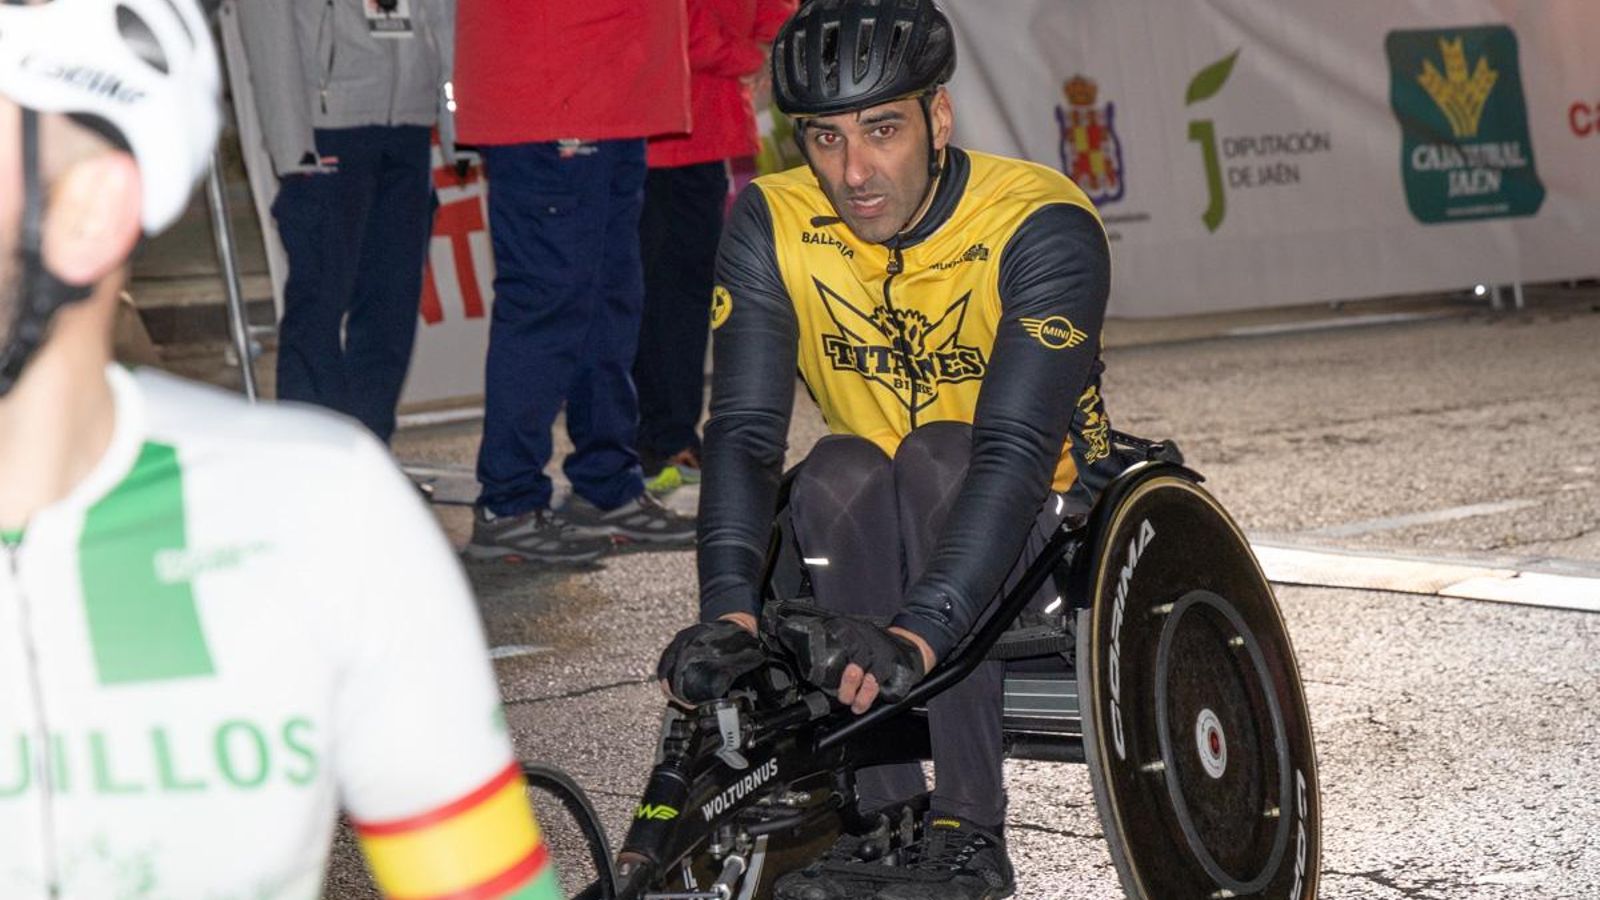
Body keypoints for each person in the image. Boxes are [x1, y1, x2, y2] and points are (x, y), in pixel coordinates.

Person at [0, 1, 558, 896]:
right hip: (328, 134)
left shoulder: (322, 519)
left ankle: (364, 422)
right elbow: (271, 45)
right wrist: (299, 144)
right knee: (321, 309)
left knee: (382, 307)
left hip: (400, 121)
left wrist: (449, 119)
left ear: (89, 210)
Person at [656, 1, 1121, 897]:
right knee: (836, 468)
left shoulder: (1040, 219)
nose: (853, 171)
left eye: (881, 131)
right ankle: (886, 815)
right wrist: (730, 613)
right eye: (823, 139)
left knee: (941, 455)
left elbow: (1016, 451)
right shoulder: (773, 217)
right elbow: (747, 434)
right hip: (871, 524)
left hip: (1038, 531)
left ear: (937, 119)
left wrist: (919, 634)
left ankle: (969, 830)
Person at [454, 0, 699, 564]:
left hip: (610, 89)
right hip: (555, 83)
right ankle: (509, 500)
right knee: (548, 303)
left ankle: (606, 481)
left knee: (610, 303)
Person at [236, 0, 455, 443]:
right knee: (318, 303)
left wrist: (457, 126)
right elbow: (267, 28)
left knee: (391, 304)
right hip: (328, 127)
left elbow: (445, 17)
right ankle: (311, 462)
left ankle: (369, 452)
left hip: (410, 123)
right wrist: (290, 144)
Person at [634, 0, 798, 495]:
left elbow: (771, 12)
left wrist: (800, 30)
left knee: (683, 299)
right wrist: (752, 58)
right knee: (655, 300)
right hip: (653, 134)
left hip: (701, 134)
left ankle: (671, 435)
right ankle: (655, 439)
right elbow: (677, 25)